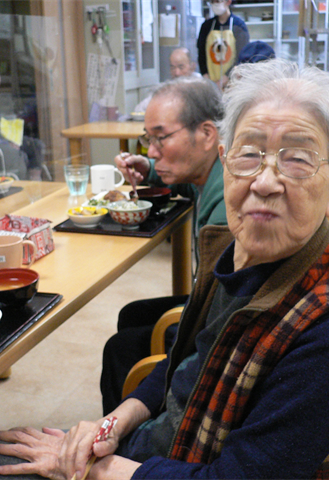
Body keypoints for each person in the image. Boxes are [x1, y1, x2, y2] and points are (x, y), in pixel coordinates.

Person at [0, 59, 329, 480]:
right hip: (166, 446)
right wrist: (113, 421)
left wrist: (101, 469)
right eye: (249, 153)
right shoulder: (237, 250)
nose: (265, 182)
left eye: (296, 159)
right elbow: (182, 361)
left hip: (176, 466)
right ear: (226, 160)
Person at [102, 76, 227, 414]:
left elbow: (218, 320)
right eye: (148, 139)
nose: (151, 151)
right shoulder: (214, 171)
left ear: (206, 134)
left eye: (160, 138)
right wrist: (151, 170)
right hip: (209, 303)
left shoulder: (227, 210)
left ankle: (125, 450)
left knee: (119, 349)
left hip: (216, 327)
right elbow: (188, 188)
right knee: (132, 314)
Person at [0, 66, 44, 181]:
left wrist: (11, 139)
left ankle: (35, 180)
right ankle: (23, 183)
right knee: (16, 154)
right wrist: (7, 144)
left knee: (36, 145)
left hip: (1, 139)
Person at [197, 0, 249, 90]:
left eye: (218, 1)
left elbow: (242, 56)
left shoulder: (239, 25)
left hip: (232, 82)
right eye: (212, 2)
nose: (215, 4)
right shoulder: (206, 26)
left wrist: (227, 76)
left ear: (228, 1)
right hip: (211, 83)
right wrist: (206, 77)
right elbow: (201, 54)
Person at [133, 47, 201, 114]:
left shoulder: (200, 88)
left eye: (181, 67)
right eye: (173, 67)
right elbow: (139, 109)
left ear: (192, 67)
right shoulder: (166, 89)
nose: (177, 73)